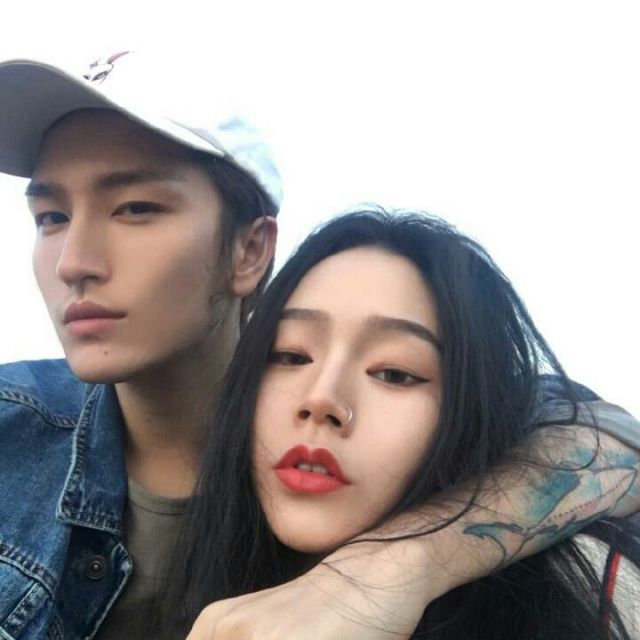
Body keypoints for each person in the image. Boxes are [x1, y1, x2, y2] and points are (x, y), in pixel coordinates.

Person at [0, 53, 637, 640]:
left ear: (250, 250)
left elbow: (604, 435)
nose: (73, 263)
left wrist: (387, 570)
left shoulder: (373, 455)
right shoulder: (13, 424)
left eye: (135, 208)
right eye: (51, 217)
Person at [171, 209, 640, 640]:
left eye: (394, 373)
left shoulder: (591, 594)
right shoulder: (195, 571)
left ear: (472, 414)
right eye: (290, 356)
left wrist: (389, 568)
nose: (321, 399)